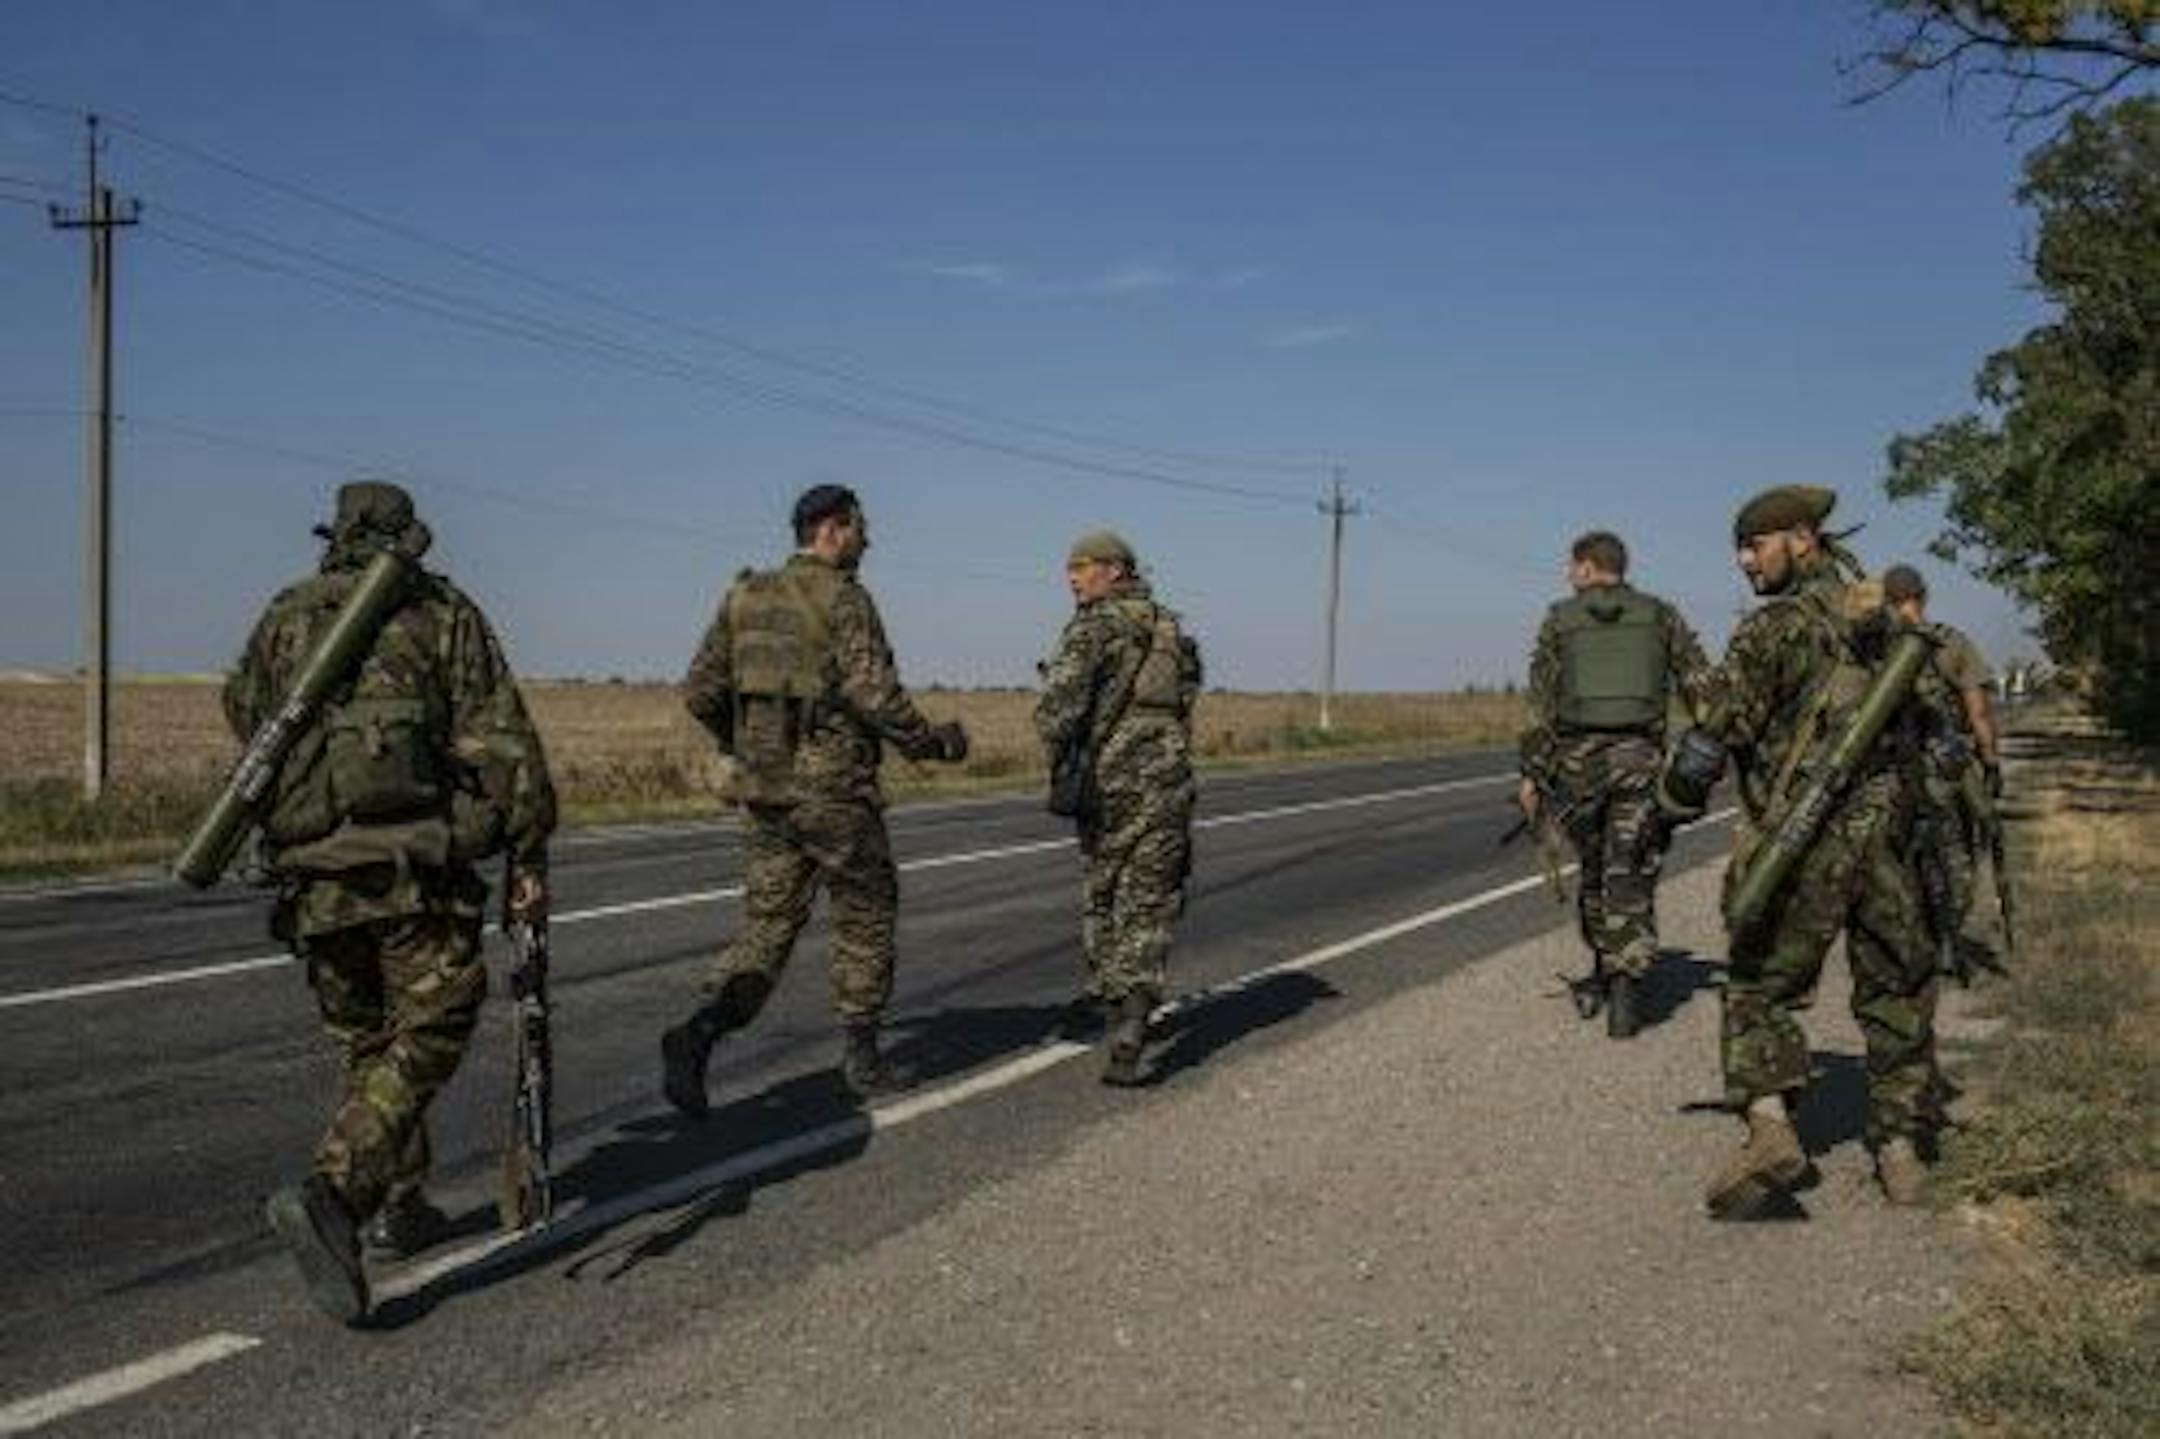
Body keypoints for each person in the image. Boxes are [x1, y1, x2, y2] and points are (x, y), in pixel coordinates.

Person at [224, 480, 556, 1323]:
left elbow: (244, 713)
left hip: (313, 878)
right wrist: (529, 849)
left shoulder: (284, 615)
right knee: (436, 1020)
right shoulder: (439, 611)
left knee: (370, 1038)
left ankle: (397, 1208)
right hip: (412, 866)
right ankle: (337, 1191)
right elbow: (501, 742)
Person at [662, 484, 967, 1115]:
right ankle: (862, 1058)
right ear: (831, 530)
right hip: (835, 793)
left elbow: (700, 690)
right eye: (860, 528)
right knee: (866, 914)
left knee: (768, 926)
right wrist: (932, 743)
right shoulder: (845, 599)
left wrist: (744, 742)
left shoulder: (744, 595)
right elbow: (874, 694)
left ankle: (699, 1033)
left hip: (765, 791)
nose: (867, 540)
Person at [1697, 486, 1941, 1216]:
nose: (1744, 560)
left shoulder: (1773, 629)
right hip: (1888, 840)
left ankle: (1770, 1125)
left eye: (1756, 544)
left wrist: (1666, 810)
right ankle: (1898, 1153)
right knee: (1897, 989)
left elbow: (1714, 733)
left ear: (1801, 538)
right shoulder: (1891, 629)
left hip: (1802, 844)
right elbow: (1933, 732)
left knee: (1754, 984)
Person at [1518, 530, 1715, 1037]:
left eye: (1571, 566)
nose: (1567, 575)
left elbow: (1539, 703)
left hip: (1576, 768)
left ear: (1587, 568)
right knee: (1630, 865)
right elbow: (1702, 687)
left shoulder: (1559, 620)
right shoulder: (1661, 614)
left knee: (1593, 868)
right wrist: (1711, 748)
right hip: (1641, 759)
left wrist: (1531, 774)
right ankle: (1628, 981)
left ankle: (1608, 970)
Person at [1035, 531, 1201, 1086]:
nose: (1073, 579)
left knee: (1105, 890)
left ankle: (1111, 1004)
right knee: (1150, 898)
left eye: (1081, 568)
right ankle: (1134, 1014)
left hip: (1111, 784)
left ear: (1114, 570)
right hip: (1170, 777)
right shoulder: (1170, 627)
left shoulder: (1094, 627)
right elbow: (1186, 697)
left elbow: (1055, 713)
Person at [1883, 564, 2002, 947]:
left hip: (1888, 771)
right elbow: (1978, 714)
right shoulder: (1951, 643)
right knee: (1955, 853)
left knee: (1898, 857)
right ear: (1922, 596)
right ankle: (1947, 940)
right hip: (1944, 768)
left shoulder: (1876, 647)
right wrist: (1990, 761)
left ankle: (1906, 939)